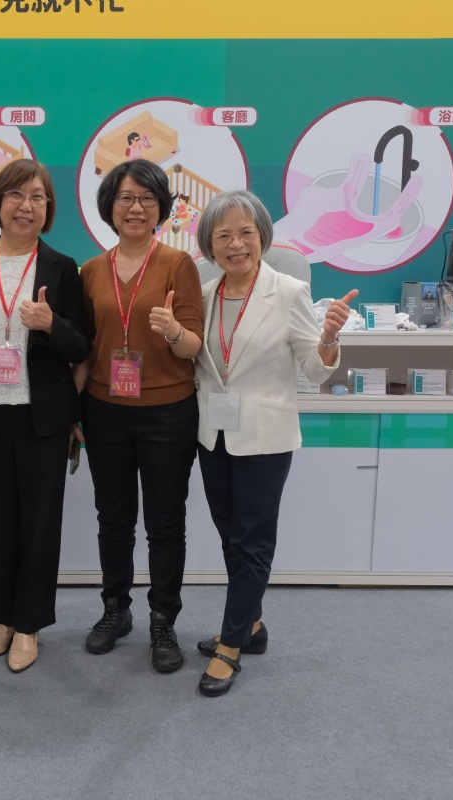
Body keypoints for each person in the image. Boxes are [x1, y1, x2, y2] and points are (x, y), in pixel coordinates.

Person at [190, 190, 356, 697]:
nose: (236, 244)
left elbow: (314, 369)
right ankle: (252, 625)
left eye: (246, 233)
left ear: (263, 237)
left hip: (266, 436)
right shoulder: (204, 294)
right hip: (213, 434)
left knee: (252, 540)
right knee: (229, 534)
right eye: (223, 235)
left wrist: (328, 338)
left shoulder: (287, 291)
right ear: (209, 246)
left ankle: (230, 646)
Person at [0, 159, 90, 673]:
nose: (26, 206)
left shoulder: (62, 267)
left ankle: (29, 625)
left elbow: (82, 344)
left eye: (37, 197)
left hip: (41, 417)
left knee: (40, 523)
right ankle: (1, 618)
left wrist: (51, 324)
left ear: (48, 208)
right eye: (16, 195)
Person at [76, 158, 204, 673]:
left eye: (147, 199)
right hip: (104, 410)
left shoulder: (178, 264)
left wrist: (173, 330)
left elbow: (193, 346)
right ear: (110, 206)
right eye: (125, 198)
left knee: (165, 522)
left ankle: (163, 618)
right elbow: (85, 350)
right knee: (114, 519)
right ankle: (116, 609)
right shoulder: (91, 270)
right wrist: (73, 414)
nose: (136, 208)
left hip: (168, 413)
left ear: (162, 208)